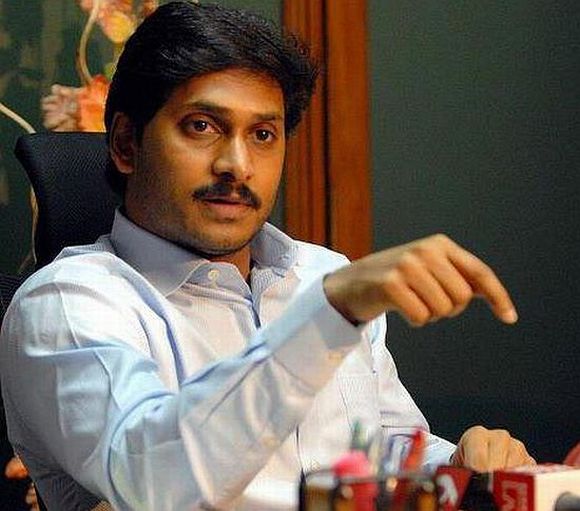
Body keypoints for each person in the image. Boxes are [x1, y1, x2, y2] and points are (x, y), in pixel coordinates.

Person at [0, 2, 534, 510]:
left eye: (262, 134)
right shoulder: (67, 304)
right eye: (202, 126)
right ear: (125, 144)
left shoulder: (322, 273)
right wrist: (327, 315)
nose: (237, 164)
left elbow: (382, 448)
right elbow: (153, 482)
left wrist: (456, 466)